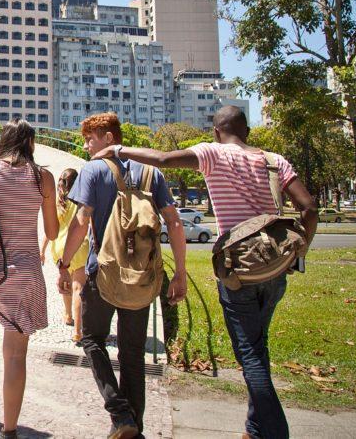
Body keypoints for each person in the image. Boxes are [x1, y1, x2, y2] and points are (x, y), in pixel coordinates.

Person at [92, 105, 318, 439]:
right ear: (247, 131)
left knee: (250, 355)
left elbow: (163, 159)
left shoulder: (213, 153)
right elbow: (309, 208)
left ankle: (273, 432)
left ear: (215, 132)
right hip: (274, 268)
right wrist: (300, 252)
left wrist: (119, 150)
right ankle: (256, 428)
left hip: (239, 270)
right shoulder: (274, 160)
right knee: (259, 345)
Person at [57, 113, 188, 439]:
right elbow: (174, 222)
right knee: (132, 355)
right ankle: (133, 428)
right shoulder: (152, 173)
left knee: (91, 340)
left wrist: (64, 262)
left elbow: (81, 222)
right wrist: (180, 273)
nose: (86, 146)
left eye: (90, 139)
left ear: (108, 137)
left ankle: (119, 413)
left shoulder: (93, 171)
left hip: (101, 274)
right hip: (142, 277)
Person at [0, 120, 59, 438]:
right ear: (31, 143)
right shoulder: (43, 177)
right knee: (16, 355)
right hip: (25, 272)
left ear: (2, 141)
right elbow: (53, 232)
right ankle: (10, 430)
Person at [40, 167, 89, 344]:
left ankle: (68, 315)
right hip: (79, 246)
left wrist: (42, 250)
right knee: (78, 288)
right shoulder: (83, 201)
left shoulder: (58, 203)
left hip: (60, 248)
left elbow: (50, 229)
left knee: (65, 281)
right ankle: (78, 332)